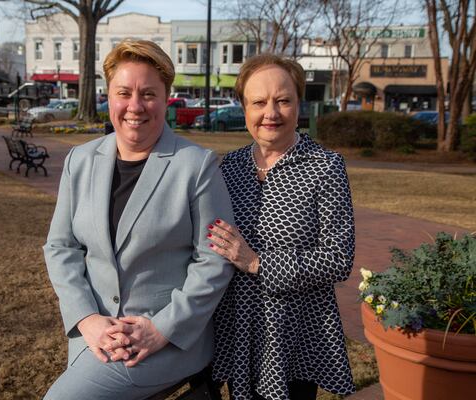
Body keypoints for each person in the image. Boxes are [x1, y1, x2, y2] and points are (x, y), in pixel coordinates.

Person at [42, 40, 234, 400]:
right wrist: (87, 319)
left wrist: (161, 328)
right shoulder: (79, 161)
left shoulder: (196, 166)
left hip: (165, 340)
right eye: (123, 92)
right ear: (108, 96)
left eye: (148, 94)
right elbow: (60, 247)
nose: (135, 106)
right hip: (95, 334)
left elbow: (213, 261)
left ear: (166, 98)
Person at [207, 54, 356, 400]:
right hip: (238, 328)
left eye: (283, 100)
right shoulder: (230, 167)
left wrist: (259, 263)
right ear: (244, 108)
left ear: (298, 104)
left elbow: (338, 257)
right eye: (259, 102)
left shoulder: (325, 167)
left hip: (294, 334)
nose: (270, 113)